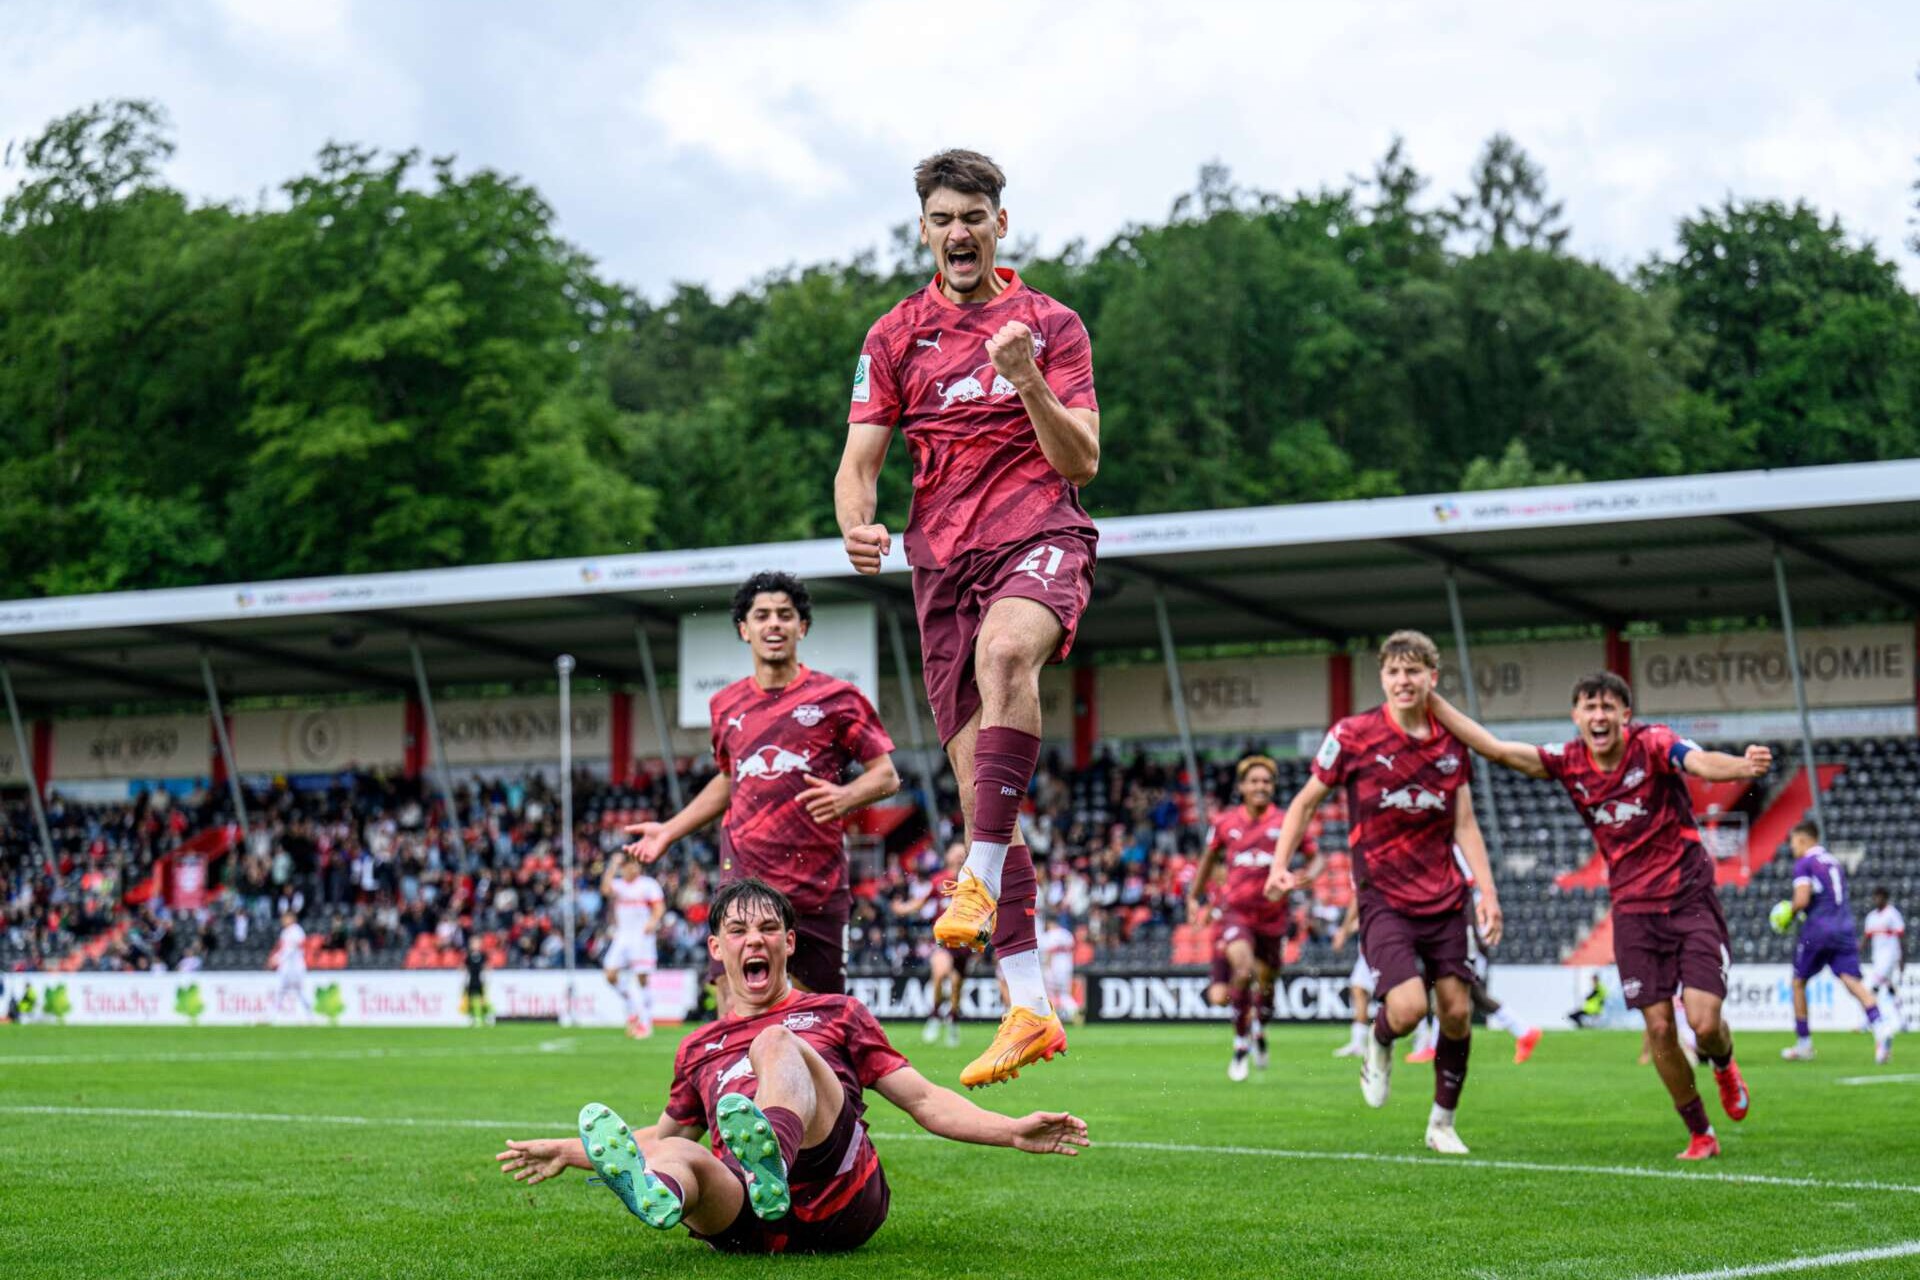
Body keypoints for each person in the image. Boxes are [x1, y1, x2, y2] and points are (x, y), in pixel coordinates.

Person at [836, 149, 1100, 1088]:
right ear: (924, 229)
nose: (959, 232)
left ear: (1000, 223)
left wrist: (1027, 380)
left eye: (974, 216)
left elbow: (1083, 461)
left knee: (1007, 656)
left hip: (1038, 534)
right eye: (943, 217)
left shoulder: (1050, 325)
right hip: (939, 565)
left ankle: (975, 874)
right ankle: (1028, 1004)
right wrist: (856, 523)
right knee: (983, 790)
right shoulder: (893, 335)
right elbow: (859, 460)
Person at [495, 878, 1089, 1255]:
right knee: (680, 1156)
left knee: (775, 1041)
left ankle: (770, 1159)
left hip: (839, 1194)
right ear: (716, 948)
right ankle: (660, 1196)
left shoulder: (837, 1012)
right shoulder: (697, 1047)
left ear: (789, 943)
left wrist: (1010, 1130)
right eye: (737, 931)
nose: (754, 940)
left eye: (768, 929)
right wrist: (571, 1150)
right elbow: (660, 1137)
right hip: (746, 1218)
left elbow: (926, 1101)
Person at [1427, 671, 1772, 1160]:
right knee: (1657, 1029)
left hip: (1689, 898)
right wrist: (1430, 700)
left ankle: (1723, 1064)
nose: (1599, 716)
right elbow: (1497, 748)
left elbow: (1698, 762)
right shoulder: (1568, 762)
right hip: (1632, 910)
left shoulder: (1654, 744)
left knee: (1705, 1021)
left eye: (1608, 707)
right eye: (1589, 707)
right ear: (1576, 717)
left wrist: (1740, 767)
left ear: (1625, 716)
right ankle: (1700, 1132)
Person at [1263, 631, 1501, 1155]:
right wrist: (1280, 864)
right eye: (1394, 671)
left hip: (1446, 896)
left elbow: (1466, 825)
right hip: (1384, 896)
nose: (1403, 680)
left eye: (1414, 671)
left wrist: (1488, 892)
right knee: (1411, 1006)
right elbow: (1304, 803)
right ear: (1383, 678)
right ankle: (1380, 1039)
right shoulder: (1352, 735)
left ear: (1432, 678)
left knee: (1458, 1013)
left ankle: (1441, 1123)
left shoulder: (1449, 742)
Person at [625, 572, 899, 996]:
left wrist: (847, 796)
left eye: (785, 616)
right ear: (744, 629)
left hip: (816, 887)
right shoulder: (725, 705)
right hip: (743, 882)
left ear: (801, 628)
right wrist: (669, 830)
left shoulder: (838, 698)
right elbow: (730, 780)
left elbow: (886, 775)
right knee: (733, 1014)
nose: (774, 624)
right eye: (762, 615)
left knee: (817, 1025)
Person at [1187, 754, 1294, 1081]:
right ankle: (1239, 1044)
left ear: (1273, 787)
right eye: (1255, 781)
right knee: (1244, 969)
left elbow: (1315, 858)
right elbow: (1208, 860)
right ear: (1242, 787)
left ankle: (1260, 1027)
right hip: (1236, 914)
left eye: (1267, 781)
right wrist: (1194, 897)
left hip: (1274, 917)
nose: (1261, 786)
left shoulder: (1286, 821)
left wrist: (1302, 876)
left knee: (1268, 985)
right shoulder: (1225, 822)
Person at [1777, 821, 1894, 1065]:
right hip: (1844, 927)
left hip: (1818, 929)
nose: (1791, 847)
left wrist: (1786, 913)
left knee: (1798, 982)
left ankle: (1804, 1044)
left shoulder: (1805, 863)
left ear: (1803, 839)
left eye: (1792, 841)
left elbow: (1801, 898)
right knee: (1853, 982)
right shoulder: (1832, 862)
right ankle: (1881, 1028)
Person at [892, 843, 971, 1047]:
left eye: (961, 853)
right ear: (948, 856)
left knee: (956, 985)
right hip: (944, 940)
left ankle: (952, 1020)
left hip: (964, 942)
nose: (958, 856)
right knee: (939, 973)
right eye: (955, 852)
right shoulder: (939, 880)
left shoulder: (971, 880)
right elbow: (921, 902)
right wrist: (902, 908)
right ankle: (935, 1015)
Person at [602, 854, 666, 1038]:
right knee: (610, 974)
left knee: (642, 978)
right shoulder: (619, 885)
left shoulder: (648, 884)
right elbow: (605, 889)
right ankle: (631, 1003)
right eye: (627, 866)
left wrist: (653, 921)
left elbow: (659, 907)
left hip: (642, 937)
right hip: (622, 936)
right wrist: (612, 865)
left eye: (634, 865)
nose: (631, 869)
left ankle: (645, 1022)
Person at [1331, 898, 1374, 1059]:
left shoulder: (1365, 880)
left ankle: (1423, 1035)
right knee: (1358, 988)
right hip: (1368, 949)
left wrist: (1344, 931)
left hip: (1377, 947)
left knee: (1396, 995)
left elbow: (1358, 900)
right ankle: (1358, 1042)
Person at [1863, 887, 1906, 1029]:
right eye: (1875, 897)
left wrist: (1902, 959)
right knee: (1889, 988)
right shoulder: (1871, 917)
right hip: (1878, 957)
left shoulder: (1892, 914)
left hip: (1891, 956)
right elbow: (1866, 938)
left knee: (1874, 985)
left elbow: (1901, 937)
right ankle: (1903, 1021)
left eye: (1880, 897)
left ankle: (1867, 1020)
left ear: (1885, 898)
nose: (1877, 900)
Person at [269, 909, 312, 1022]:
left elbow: (292, 948)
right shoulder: (284, 932)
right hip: (286, 967)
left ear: (292, 918)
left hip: (296, 967)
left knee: (301, 991)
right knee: (280, 990)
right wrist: (276, 958)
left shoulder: (297, 931)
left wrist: (277, 959)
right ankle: (272, 1016)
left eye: (285, 918)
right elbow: (283, 949)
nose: (282, 920)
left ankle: (311, 1015)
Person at [1038, 913, 1079, 1025]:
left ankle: (1051, 1019)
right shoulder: (1067, 934)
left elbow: (1048, 955)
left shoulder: (1049, 935)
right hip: (1067, 968)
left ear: (1049, 923)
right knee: (1064, 994)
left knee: (1050, 995)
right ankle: (1075, 1012)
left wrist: (1046, 969)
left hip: (1053, 969)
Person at [463, 938, 491, 1029]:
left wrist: (487, 975)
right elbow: (464, 968)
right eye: (474, 944)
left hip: (480, 980)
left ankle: (484, 1017)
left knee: (482, 1000)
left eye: (477, 943)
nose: (475, 945)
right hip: (471, 980)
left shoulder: (483, 956)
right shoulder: (468, 956)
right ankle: (472, 1017)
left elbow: (487, 967)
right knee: (470, 1000)